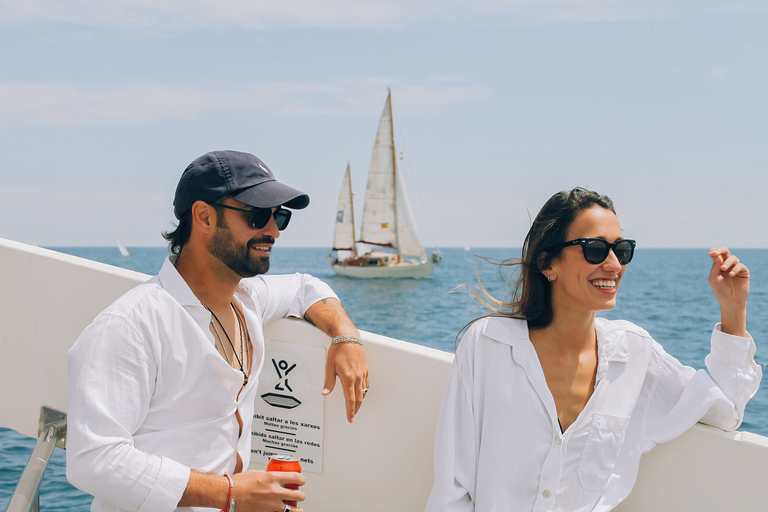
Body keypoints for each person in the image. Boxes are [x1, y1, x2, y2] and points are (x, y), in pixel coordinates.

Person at [67, 150, 369, 512]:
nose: (272, 231)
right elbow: (94, 460)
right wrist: (230, 494)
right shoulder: (131, 325)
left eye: (280, 217)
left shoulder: (246, 299)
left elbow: (306, 288)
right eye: (258, 216)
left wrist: (345, 337)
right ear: (204, 217)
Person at [425, 187, 761, 512]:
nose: (614, 265)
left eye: (622, 249)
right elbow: (452, 490)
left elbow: (725, 408)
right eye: (595, 249)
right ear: (547, 264)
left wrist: (733, 310)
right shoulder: (488, 345)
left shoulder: (635, 355)